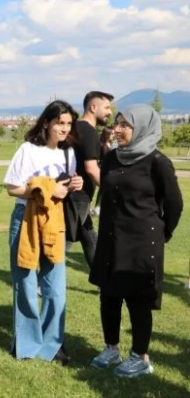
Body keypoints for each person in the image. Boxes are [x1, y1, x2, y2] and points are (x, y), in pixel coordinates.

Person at [89, 105, 183, 377]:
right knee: (109, 295)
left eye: (124, 125)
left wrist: (162, 233)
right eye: (116, 123)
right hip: (110, 238)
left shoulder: (157, 162)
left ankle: (140, 357)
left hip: (141, 242)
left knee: (137, 299)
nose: (116, 130)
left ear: (141, 128)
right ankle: (111, 348)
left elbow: (175, 205)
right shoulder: (112, 159)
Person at [3, 100, 83, 365]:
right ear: (47, 122)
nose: (64, 128)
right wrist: (47, 190)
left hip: (54, 220)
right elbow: (13, 187)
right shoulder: (28, 150)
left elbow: (62, 188)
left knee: (55, 286)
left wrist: (74, 184)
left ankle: (53, 344)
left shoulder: (68, 153)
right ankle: (25, 344)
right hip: (25, 218)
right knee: (24, 282)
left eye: (68, 123)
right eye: (60, 122)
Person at [68, 91, 114, 267]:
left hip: (77, 195)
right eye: (107, 107)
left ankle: (103, 282)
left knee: (89, 237)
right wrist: (114, 191)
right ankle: (44, 284)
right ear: (93, 107)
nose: (109, 112)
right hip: (78, 196)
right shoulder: (88, 132)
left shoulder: (76, 127)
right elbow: (92, 169)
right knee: (66, 240)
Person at [92, 126, 115, 216]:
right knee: (101, 188)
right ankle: (97, 207)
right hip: (102, 169)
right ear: (107, 134)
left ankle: (100, 207)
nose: (113, 135)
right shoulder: (102, 145)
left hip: (108, 169)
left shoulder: (110, 144)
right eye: (112, 133)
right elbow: (98, 158)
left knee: (103, 190)